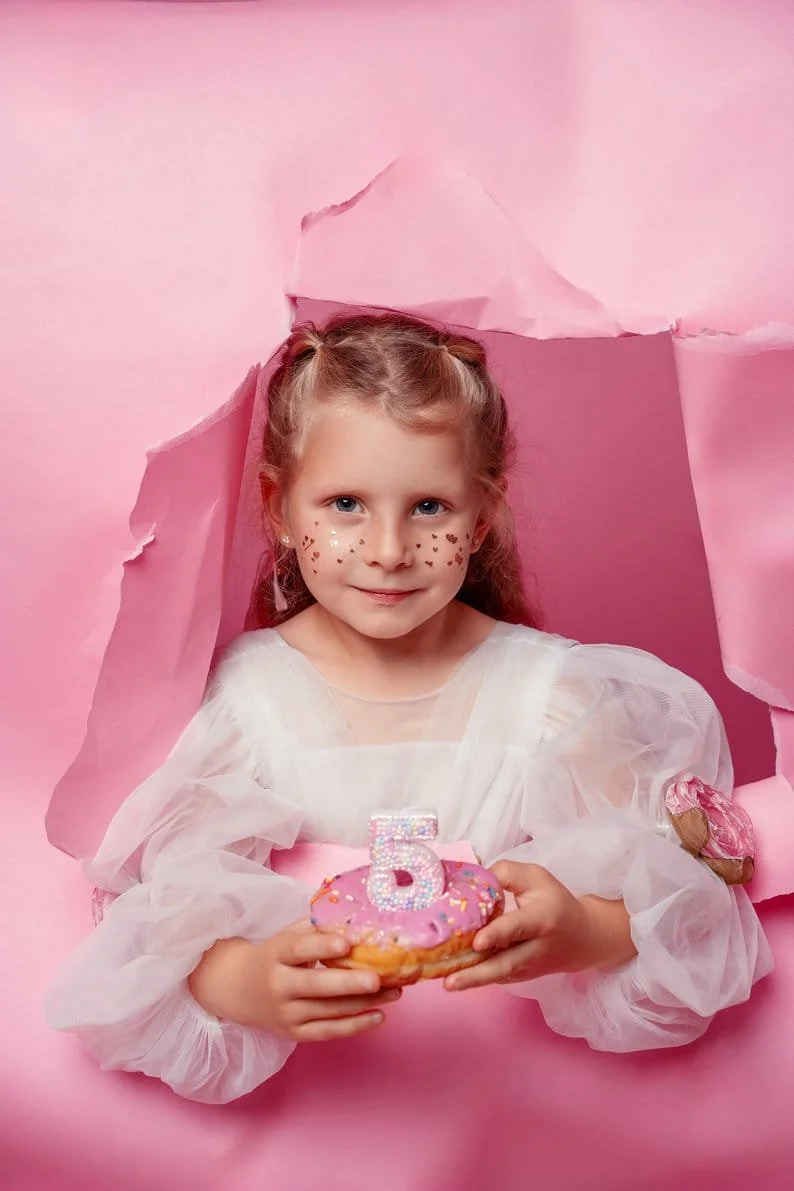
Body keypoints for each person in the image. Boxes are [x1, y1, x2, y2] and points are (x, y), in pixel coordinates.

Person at [46, 311, 772, 1104]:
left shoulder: (554, 701)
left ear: (481, 515)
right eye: (346, 503)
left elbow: (674, 903)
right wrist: (243, 979)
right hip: (312, 1128)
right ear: (281, 507)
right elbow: (157, 913)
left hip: (512, 1115)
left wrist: (579, 929)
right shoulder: (245, 705)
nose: (388, 548)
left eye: (428, 507)